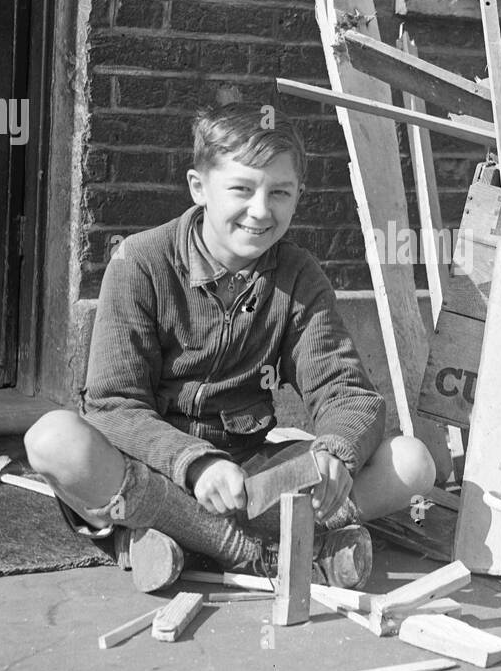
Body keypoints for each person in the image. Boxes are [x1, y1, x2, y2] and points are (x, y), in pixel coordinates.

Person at [23, 104, 435, 591]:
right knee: (53, 439)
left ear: (298, 196)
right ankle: (256, 553)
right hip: (151, 468)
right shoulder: (139, 263)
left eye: (279, 192)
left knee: (411, 463)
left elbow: (347, 393)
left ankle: (175, 537)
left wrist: (335, 456)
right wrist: (194, 462)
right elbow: (112, 407)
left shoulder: (299, 276)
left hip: (249, 479)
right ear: (199, 187)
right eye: (241, 189)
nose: (261, 210)